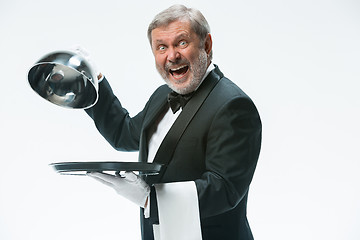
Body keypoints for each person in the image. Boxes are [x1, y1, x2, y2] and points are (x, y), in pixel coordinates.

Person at [85, 4, 261, 240]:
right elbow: (124, 135)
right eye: (161, 47)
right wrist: (92, 83)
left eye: (181, 43)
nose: (172, 56)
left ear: (206, 45)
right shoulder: (161, 95)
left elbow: (224, 189)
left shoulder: (233, 105)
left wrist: (150, 199)